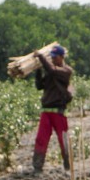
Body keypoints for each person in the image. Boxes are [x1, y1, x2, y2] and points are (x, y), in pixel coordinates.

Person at [32, 44, 73, 173]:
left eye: (55, 57)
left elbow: (52, 71)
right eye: (52, 57)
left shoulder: (66, 71)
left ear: (62, 57)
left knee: (63, 139)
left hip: (59, 112)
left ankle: (67, 165)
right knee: (41, 139)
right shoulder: (50, 71)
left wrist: (40, 56)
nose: (53, 59)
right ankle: (37, 167)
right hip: (46, 111)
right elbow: (39, 86)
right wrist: (38, 70)